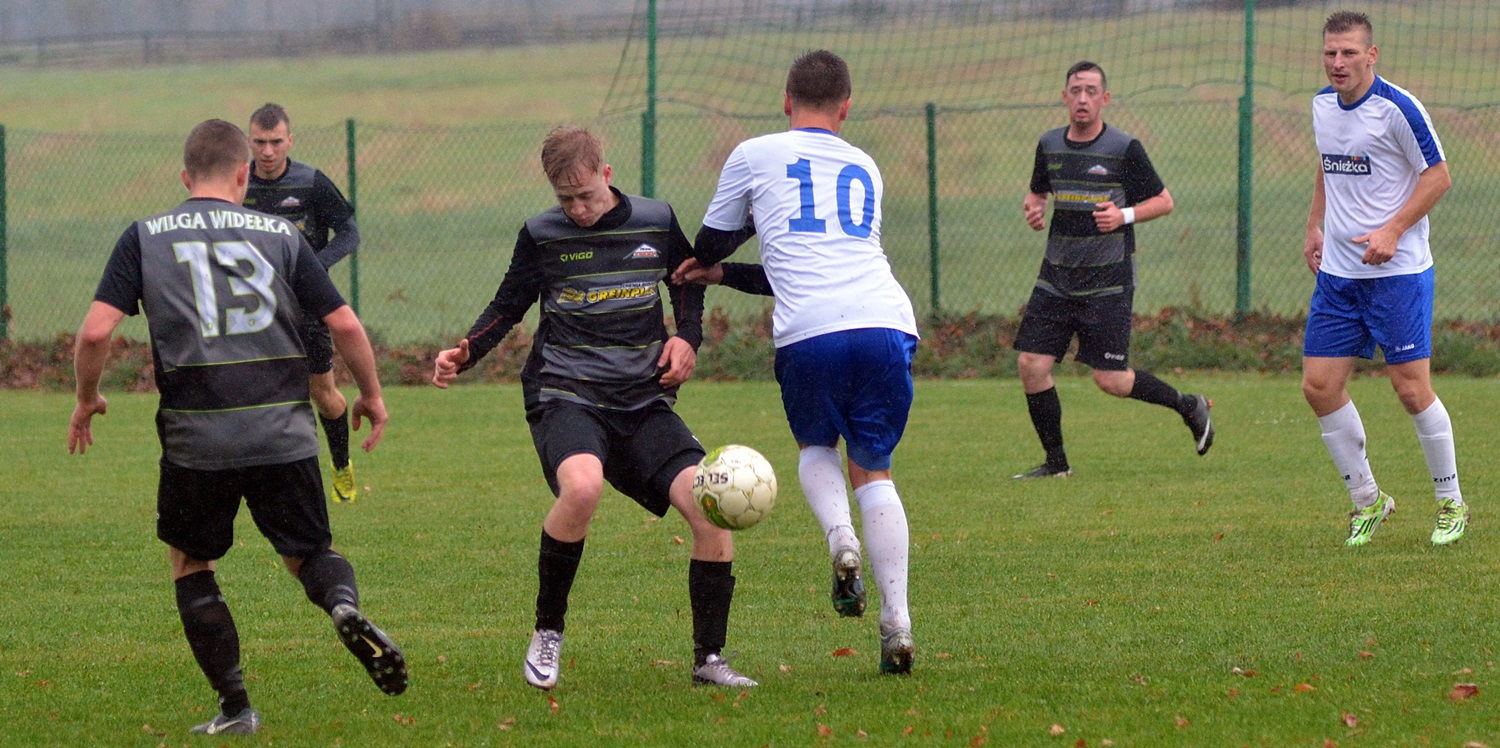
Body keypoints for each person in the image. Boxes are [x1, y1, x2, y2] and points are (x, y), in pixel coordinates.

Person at [67, 119, 406, 736]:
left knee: (192, 563)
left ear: (184, 176)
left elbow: (94, 332)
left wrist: (87, 398)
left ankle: (235, 707)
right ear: (244, 174)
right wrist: (373, 395)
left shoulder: (143, 237)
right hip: (283, 432)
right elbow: (347, 327)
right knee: (309, 555)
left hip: (198, 439)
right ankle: (344, 607)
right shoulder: (280, 233)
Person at [430, 126, 755, 691]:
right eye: (565, 199)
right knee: (581, 488)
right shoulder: (542, 235)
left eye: (585, 195)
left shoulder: (655, 220)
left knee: (710, 506)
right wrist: (467, 351)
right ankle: (547, 633)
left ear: (607, 174)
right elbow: (508, 305)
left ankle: (710, 660)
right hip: (567, 393)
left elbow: (686, 281)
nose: (577, 209)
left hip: (642, 400)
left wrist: (688, 339)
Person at [674, 49, 918, 675]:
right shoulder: (866, 164)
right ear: (846, 107)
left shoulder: (754, 154)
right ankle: (897, 626)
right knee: (876, 471)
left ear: (786, 101)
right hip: (887, 322)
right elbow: (818, 255)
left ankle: (841, 542)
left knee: (816, 448)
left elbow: (715, 244)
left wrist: (714, 263)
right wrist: (730, 266)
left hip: (811, 333)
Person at [1012, 60, 1213, 479]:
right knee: (1032, 364)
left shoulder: (1124, 148)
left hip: (1107, 282)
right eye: (1075, 90)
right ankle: (1056, 464)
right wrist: (1034, 208)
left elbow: (1164, 202)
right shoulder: (1049, 144)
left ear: (1105, 99)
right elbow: (1037, 193)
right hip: (1056, 278)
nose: (1082, 98)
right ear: (1065, 97)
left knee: (1111, 380)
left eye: (1091, 91)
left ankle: (1187, 404)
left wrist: (1123, 216)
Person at [1303, 12, 1460, 546]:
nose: (1338, 63)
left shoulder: (1399, 108)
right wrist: (1314, 225)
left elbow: (1438, 176)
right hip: (1339, 276)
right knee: (1319, 387)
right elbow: (1328, 165)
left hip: (1398, 272)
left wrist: (1392, 230)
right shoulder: (1322, 106)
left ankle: (1450, 504)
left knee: (1411, 391)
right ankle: (1369, 501)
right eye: (1330, 53)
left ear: (1372, 55)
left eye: (1348, 53)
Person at [244, 103, 364, 503]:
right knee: (259, 392)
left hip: (307, 307)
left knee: (324, 396)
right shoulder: (236, 184)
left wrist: (314, 268)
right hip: (254, 308)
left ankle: (342, 463)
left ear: (289, 141)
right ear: (249, 141)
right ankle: (269, 479)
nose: (267, 151)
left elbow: (349, 233)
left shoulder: (310, 182)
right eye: (259, 142)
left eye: (275, 142)